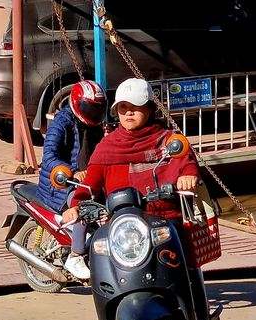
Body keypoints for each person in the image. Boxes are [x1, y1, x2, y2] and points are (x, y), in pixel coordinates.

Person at [63, 77, 200, 245]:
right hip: (122, 230)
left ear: (150, 108)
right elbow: (90, 186)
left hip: (165, 223)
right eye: (123, 107)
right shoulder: (107, 147)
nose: (129, 112)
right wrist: (75, 206)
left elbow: (187, 163)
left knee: (184, 266)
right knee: (100, 261)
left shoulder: (168, 140)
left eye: (136, 106)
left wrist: (188, 176)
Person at [36, 80, 108, 281]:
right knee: (84, 205)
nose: (94, 113)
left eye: (97, 109)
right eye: (90, 108)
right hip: (60, 184)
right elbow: (49, 156)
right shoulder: (61, 123)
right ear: (77, 103)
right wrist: (72, 172)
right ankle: (75, 256)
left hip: (90, 180)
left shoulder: (96, 125)